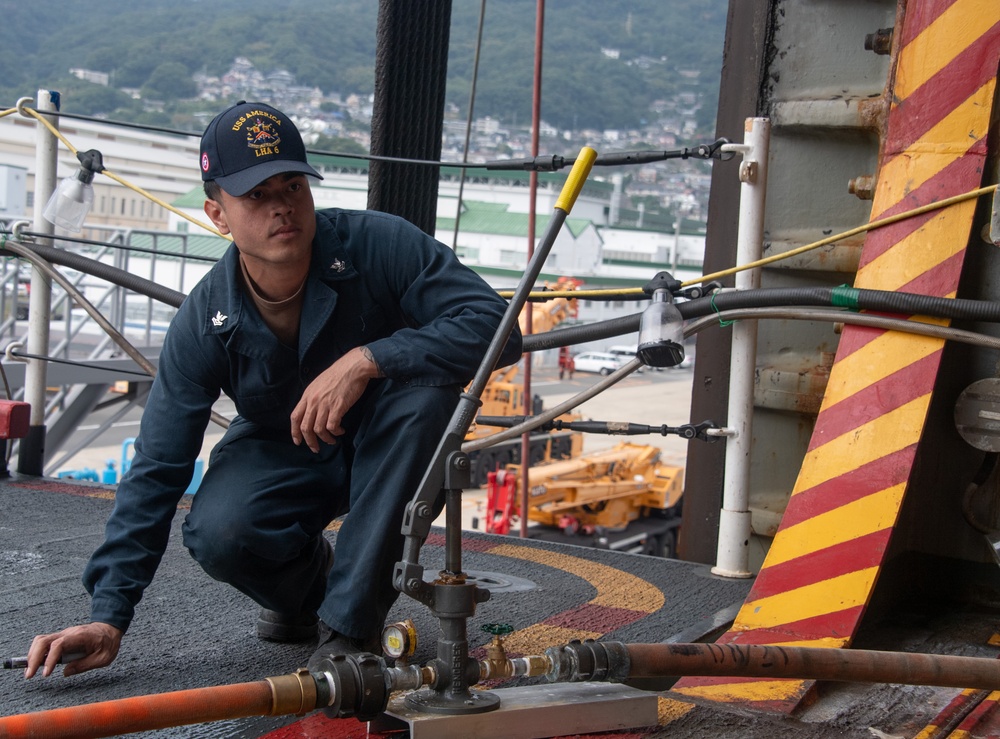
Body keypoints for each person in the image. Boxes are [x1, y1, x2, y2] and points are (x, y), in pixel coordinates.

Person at [24, 101, 521, 678]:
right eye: (256, 195)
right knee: (220, 532)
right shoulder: (204, 320)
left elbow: (495, 327)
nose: (283, 205)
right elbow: (157, 467)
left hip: (394, 439)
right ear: (218, 214)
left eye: (293, 186)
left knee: (427, 400)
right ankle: (309, 594)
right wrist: (109, 614)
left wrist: (370, 358)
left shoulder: (381, 244)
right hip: (289, 447)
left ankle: (348, 632)